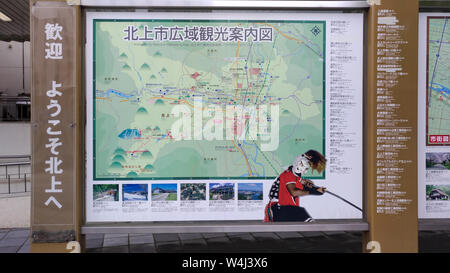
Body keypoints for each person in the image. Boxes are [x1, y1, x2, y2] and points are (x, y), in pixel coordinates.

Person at [264, 149, 327, 222]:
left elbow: (302, 189)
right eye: (307, 165)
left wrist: (316, 189)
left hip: (286, 210)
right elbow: (294, 192)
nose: (306, 170)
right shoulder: (288, 174)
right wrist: (314, 191)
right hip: (277, 208)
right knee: (301, 214)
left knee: (300, 215)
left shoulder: (296, 178)